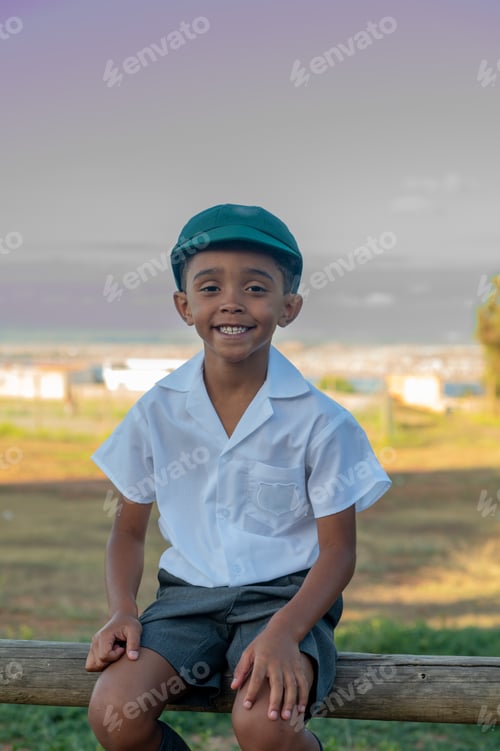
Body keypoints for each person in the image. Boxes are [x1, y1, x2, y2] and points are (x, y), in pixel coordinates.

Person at [86, 203, 392, 751]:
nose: (231, 301)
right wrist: (122, 611)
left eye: (255, 287)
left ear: (288, 306)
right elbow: (128, 531)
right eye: (209, 287)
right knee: (113, 715)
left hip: (284, 600)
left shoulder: (322, 423)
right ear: (184, 306)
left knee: (263, 726)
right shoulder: (157, 411)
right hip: (186, 600)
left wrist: (285, 632)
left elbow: (338, 554)